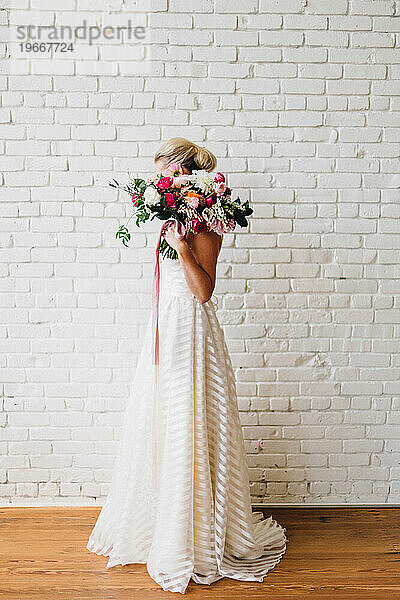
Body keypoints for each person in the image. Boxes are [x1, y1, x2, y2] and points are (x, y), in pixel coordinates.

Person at [86, 137, 288, 594]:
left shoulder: (206, 223)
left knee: (191, 421)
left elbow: (202, 291)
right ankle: (163, 522)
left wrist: (181, 247)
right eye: (159, 176)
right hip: (166, 326)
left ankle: (196, 535)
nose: (162, 183)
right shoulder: (170, 220)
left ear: (186, 178)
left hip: (193, 329)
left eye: (167, 175)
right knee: (160, 421)